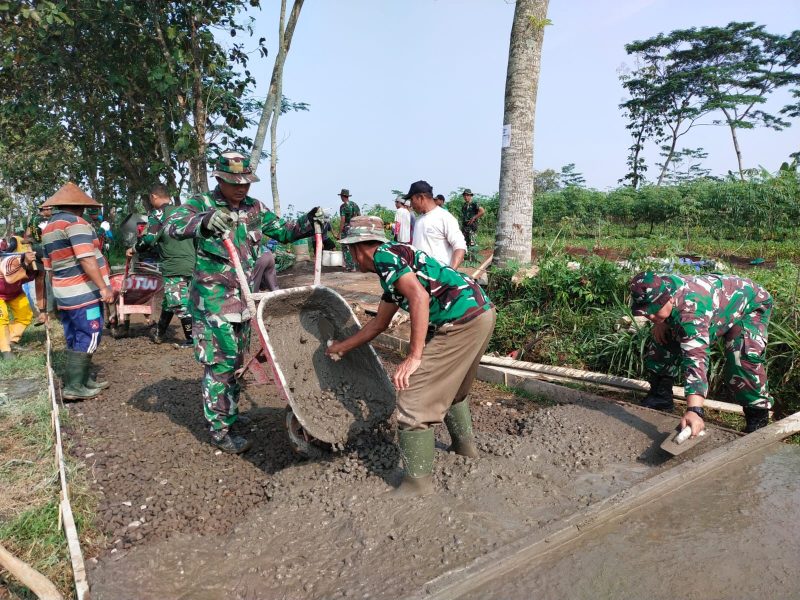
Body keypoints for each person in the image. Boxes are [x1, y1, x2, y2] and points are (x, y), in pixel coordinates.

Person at [327, 215, 496, 497]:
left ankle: (416, 486)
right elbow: (379, 323)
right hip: (481, 314)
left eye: (350, 251)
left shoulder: (384, 258)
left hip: (460, 322)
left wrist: (414, 356)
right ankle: (464, 449)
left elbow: (419, 298)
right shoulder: (395, 262)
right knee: (454, 390)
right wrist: (341, 347)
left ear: (357, 248)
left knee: (413, 401)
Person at [168, 151, 321, 454]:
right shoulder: (202, 204)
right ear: (219, 179)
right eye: (233, 182)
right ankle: (220, 430)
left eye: (246, 182)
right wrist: (205, 222)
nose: (241, 188)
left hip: (244, 301)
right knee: (220, 365)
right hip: (214, 303)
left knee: (237, 364)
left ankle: (231, 417)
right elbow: (173, 226)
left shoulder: (254, 208)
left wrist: (309, 220)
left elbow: (284, 231)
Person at [630, 271, 774, 436]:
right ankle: (660, 397)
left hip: (750, 304)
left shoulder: (692, 312)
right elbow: (657, 307)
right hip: (714, 303)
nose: (651, 316)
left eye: (654, 310)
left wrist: (694, 410)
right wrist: (660, 321)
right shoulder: (654, 284)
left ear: (669, 299)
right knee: (663, 339)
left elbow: (696, 360)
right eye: (647, 312)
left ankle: (757, 418)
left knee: (741, 359)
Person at [41, 183, 113, 400]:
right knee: (91, 333)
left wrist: (52, 300)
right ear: (79, 206)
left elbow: (48, 268)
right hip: (83, 293)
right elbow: (86, 258)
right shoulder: (76, 223)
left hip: (64, 292)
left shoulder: (49, 228)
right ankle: (74, 386)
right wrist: (103, 287)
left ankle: (82, 379)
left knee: (74, 334)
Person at [126, 184, 196, 348]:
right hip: (192, 263)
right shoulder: (185, 211)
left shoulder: (158, 214)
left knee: (179, 303)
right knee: (170, 301)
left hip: (173, 265)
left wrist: (134, 249)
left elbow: (149, 240)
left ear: (154, 197)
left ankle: (192, 339)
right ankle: (159, 333)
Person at [409, 180, 467, 270]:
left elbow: (460, 246)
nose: (411, 205)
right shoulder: (419, 220)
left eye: (412, 200)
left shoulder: (444, 217)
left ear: (420, 198)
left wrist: (450, 273)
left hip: (439, 278)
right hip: (421, 276)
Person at [0, 249, 36, 359]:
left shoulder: (38, 268)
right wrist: (25, 264)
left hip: (15, 292)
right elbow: (10, 279)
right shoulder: (10, 261)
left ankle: (11, 340)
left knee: (25, 315)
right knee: (2, 318)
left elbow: (40, 286)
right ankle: (5, 350)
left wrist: (43, 310)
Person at [337, 188, 360, 271]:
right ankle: (355, 265)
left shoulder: (343, 207)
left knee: (345, 248)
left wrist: (339, 232)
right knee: (353, 247)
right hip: (354, 228)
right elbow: (359, 216)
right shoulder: (355, 205)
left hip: (346, 229)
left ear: (343, 196)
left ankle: (349, 266)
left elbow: (343, 220)